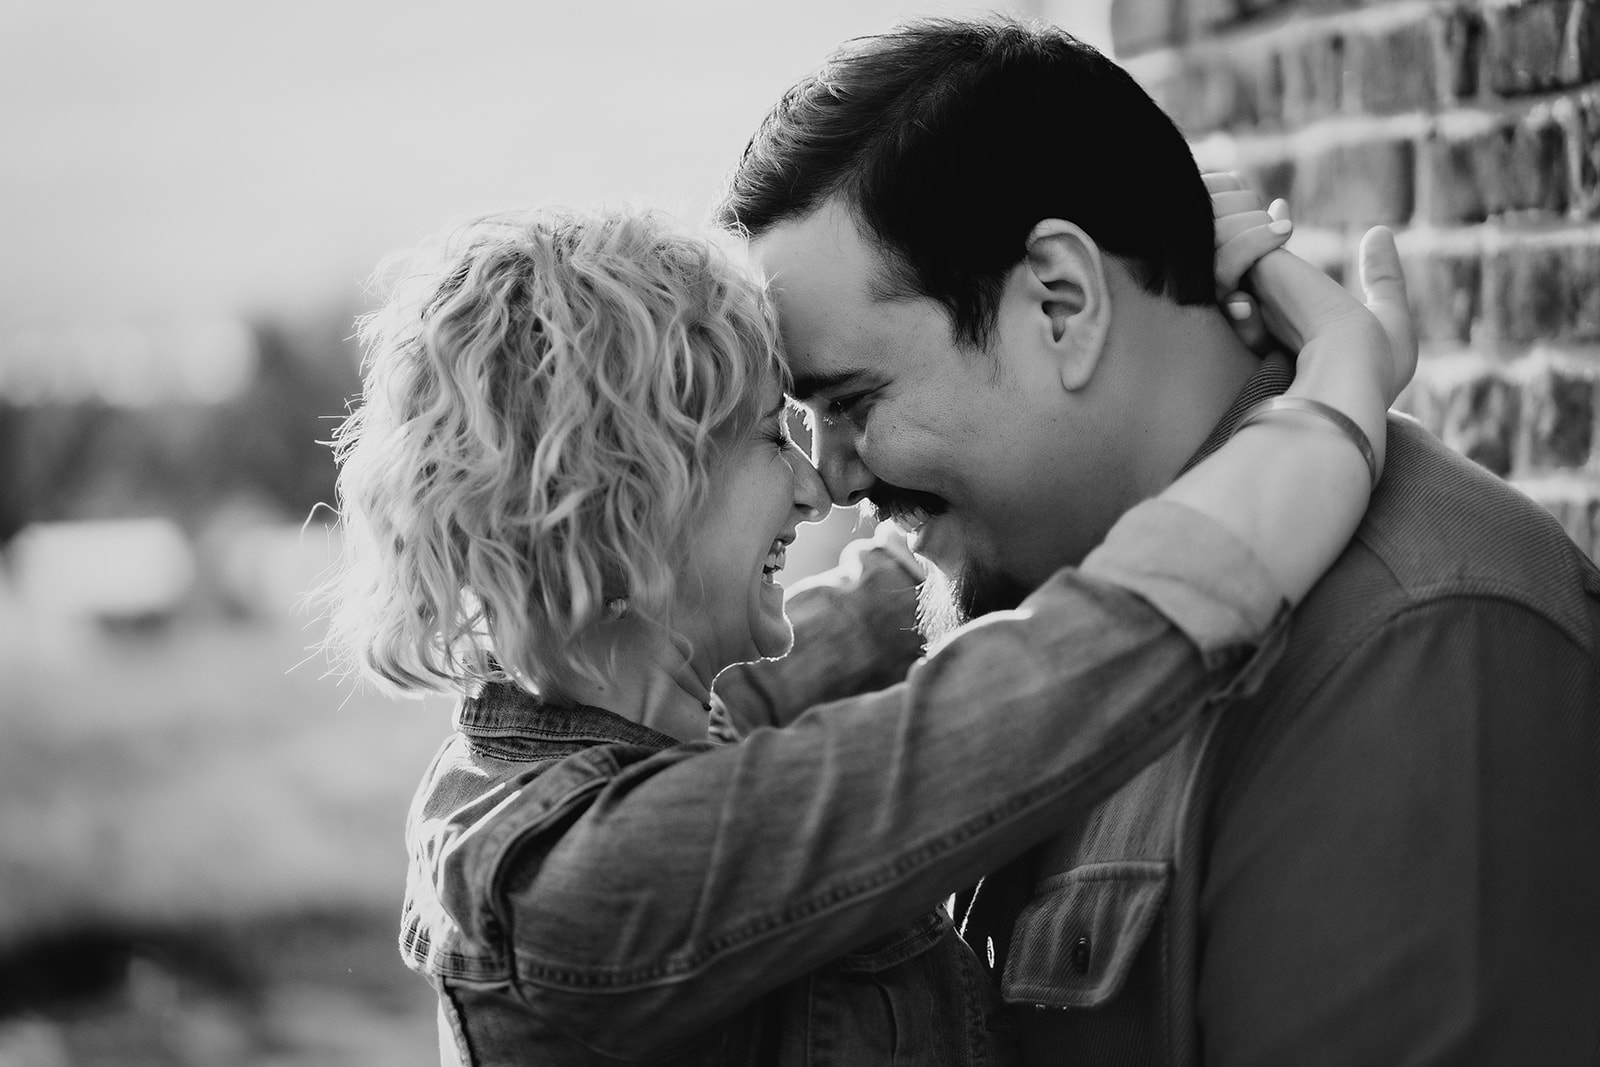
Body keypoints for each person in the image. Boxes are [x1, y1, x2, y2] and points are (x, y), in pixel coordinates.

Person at [320, 194, 1408, 1065]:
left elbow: (880, 607)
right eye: (764, 437)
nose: (814, 488)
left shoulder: (605, 743)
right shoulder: (594, 876)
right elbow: (1058, 679)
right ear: (626, 490)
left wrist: (1131, 315)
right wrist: (1339, 391)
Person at [713, 16, 1600, 1066]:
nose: (830, 476)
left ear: (1062, 299)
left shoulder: (1417, 640)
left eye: (854, 400)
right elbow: (633, 764)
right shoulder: (1028, 588)